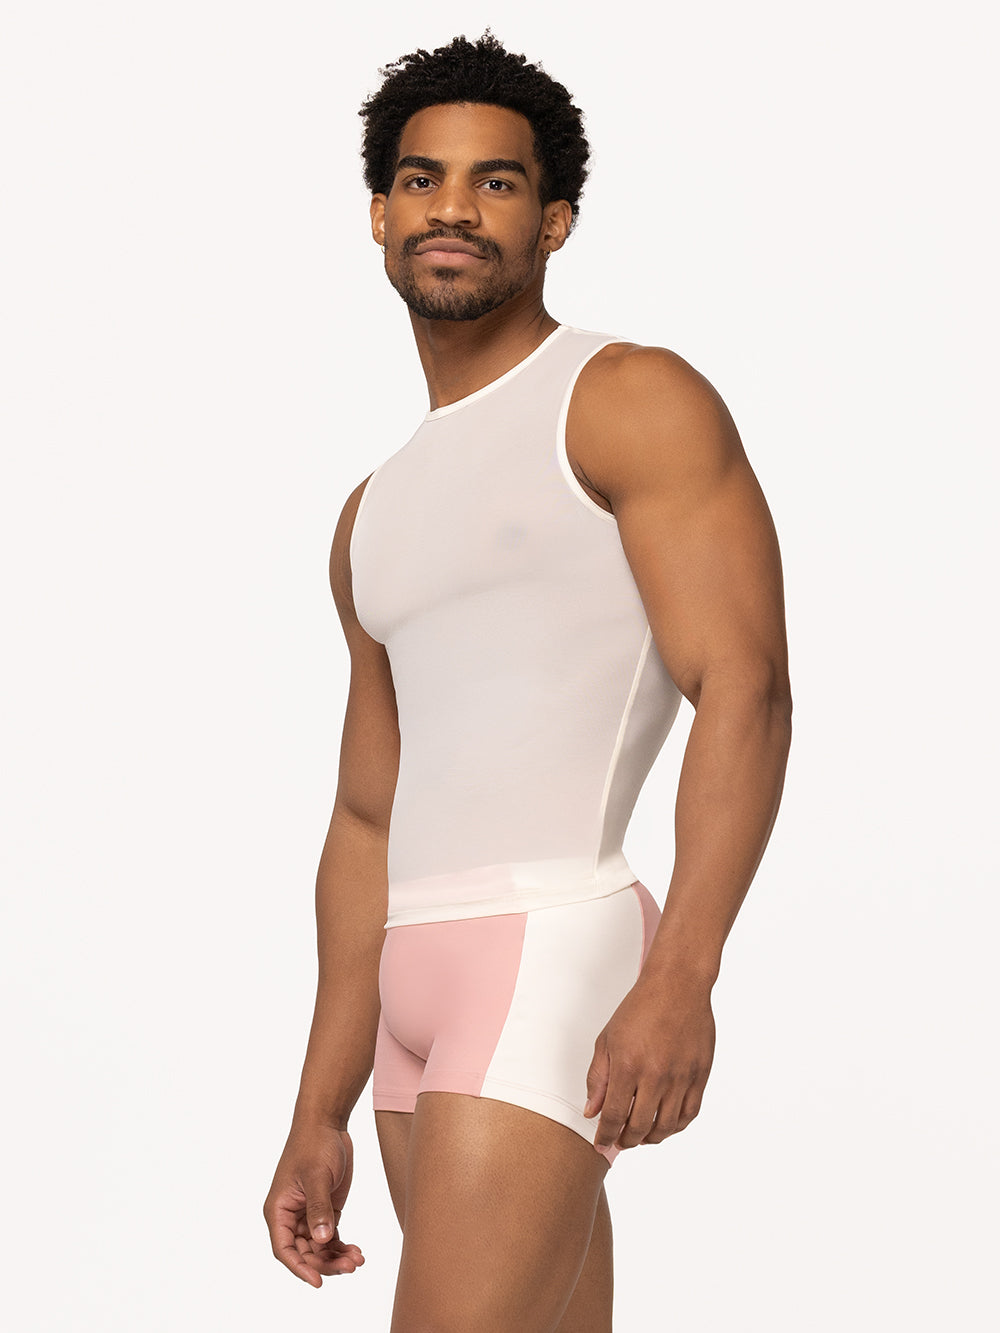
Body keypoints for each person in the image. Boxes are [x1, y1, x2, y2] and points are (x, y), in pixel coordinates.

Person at [263, 30, 792, 1333]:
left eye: (494, 182)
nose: (452, 206)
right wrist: (319, 1106)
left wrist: (682, 974)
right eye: (422, 178)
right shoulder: (370, 513)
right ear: (380, 213)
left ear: (553, 222)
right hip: (408, 985)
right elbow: (367, 816)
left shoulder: (625, 399)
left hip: (550, 944)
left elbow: (745, 686)